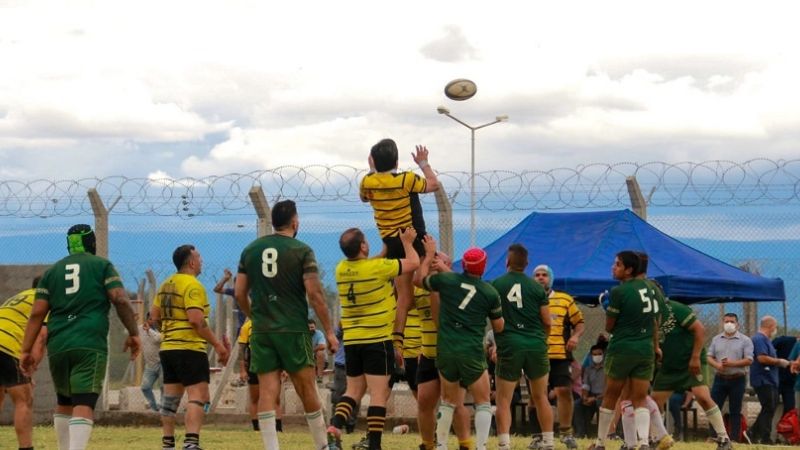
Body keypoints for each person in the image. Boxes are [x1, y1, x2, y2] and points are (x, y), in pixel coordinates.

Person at [20, 224, 141, 450]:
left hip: (58, 343)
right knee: (83, 402)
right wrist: (133, 333)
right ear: (92, 243)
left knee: (64, 401)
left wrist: (26, 350)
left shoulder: (51, 272)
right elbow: (120, 298)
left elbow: (37, 313)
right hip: (89, 341)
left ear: (69, 245)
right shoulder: (102, 265)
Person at [234, 199, 338, 450]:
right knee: (307, 389)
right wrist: (330, 333)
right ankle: (323, 446)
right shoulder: (302, 250)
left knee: (268, 391)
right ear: (295, 221)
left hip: (263, 330)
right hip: (293, 329)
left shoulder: (250, 250)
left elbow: (239, 293)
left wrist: (255, 317)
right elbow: (314, 294)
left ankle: (272, 448)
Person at [326, 226, 420, 450]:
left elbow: (368, 264)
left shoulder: (341, 269)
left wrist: (383, 250)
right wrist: (407, 242)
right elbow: (413, 263)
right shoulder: (379, 268)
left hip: (352, 341)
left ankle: (334, 426)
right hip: (377, 340)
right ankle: (375, 444)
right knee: (378, 393)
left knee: (353, 391)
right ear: (363, 246)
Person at [359, 140, 439, 369]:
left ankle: (396, 342)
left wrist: (373, 172)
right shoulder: (406, 179)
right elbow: (434, 185)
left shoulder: (367, 181)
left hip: (391, 242)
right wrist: (423, 163)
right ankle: (439, 333)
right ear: (396, 161)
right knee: (431, 278)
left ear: (372, 161)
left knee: (404, 298)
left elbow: (365, 197)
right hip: (412, 237)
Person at [423, 247, 505, 450]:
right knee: (483, 401)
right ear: (483, 267)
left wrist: (430, 259)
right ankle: (481, 446)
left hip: (447, 348)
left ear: (464, 265)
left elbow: (420, 280)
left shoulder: (448, 282)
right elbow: (499, 327)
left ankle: (441, 446)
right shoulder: (489, 292)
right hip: (471, 349)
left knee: (448, 400)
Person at [151, 244, 229, 450]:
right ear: (192, 262)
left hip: (168, 348)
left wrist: (170, 330)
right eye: (199, 257)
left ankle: (167, 444)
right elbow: (196, 320)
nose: (202, 260)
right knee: (199, 396)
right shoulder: (193, 286)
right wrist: (218, 345)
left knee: (170, 399)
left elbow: (154, 317)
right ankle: (191, 443)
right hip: (190, 348)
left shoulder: (165, 284)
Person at [589, 251, 659, 450]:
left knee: (611, 394)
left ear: (629, 270)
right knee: (640, 396)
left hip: (623, 347)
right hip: (645, 348)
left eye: (617, 264)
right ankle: (644, 442)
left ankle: (601, 442)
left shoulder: (619, 292)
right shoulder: (653, 289)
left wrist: (607, 307)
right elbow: (655, 320)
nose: (613, 267)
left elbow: (610, 327)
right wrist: (655, 346)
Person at [411, 237, 472, 450]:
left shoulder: (454, 288)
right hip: (428, 352)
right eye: (433, 259)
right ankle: (427, 444)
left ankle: (465, 443)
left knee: (454, 403)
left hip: (451, 352)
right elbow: (407, 297)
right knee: (424, 402)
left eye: (441, 260)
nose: (435, 262)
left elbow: (439, 318)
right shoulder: (421, 285)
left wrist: (438, 275)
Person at [490, 243, 553, 450]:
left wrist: (499, 343)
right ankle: (549, 442)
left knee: (504, 399)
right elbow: (547, 321)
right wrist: (541, 340)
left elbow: (494, 320)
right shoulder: (537, 287)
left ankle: (504, 444)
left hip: (509, 344)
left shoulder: (496, 284)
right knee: (541, 396)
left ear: (507, 262)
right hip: (535, 344)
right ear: (526, 264)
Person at [650, 299, 733, 450]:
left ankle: (724, 438)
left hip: (690, 362)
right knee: (654, 401)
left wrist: (695, 358)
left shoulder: (675, 308)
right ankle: (657, 438)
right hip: (669, 366)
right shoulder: (646, 313)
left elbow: (700, 330)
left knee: (702, 396)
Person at [531, 264, 584, 449]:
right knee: (536, 395)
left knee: (564, 391)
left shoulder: (565, 299)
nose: (540, 277)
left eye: (544, 275)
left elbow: (579, 323)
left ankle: (566, 432)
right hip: (536, 354)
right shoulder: (528, 299)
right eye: (536, 275)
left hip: (560, 355)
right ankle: (538, 435)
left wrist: (575, 337)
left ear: (550, 278)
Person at [0, 277, 48, 450]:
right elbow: (41, 337)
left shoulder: (18, 297)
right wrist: (29, 370)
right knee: (24, 400)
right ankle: (26, 448)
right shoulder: (43, 300)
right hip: (7, 345)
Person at [707, 312, 753, 443]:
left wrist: (732, 363)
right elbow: (709, 356)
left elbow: (749, 360)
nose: (729, 324)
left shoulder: (745, 340)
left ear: (737, 324)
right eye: (727, 321)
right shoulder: (716, 339)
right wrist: (717, 365)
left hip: (737, 379)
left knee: (735, 410)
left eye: (732, 322)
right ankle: (714, 436)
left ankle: (734, 439)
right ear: (723, 323)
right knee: (714, 408)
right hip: (720, 378)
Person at [749, 315, 790, 444]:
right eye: (775, 327)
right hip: (763, 379)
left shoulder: (766, 340)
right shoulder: (759, 339)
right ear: (770, 326)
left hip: (769, 379)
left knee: (769, 407)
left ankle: (752, 433)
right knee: (768, 407)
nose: (775, 329)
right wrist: (779, 361)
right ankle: (764, 437)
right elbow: (762, 358)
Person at [330, 325, 358, 434]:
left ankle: (350, 424)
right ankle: (335, 423)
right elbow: (332, 341)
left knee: (355, 396)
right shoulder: (339, 329)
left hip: (356, 364)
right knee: (338, 395)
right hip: (341, 365)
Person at [574, 345, 605, 439]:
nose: (597, 356)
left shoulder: (608, 369)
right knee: (577, 404)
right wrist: (584, 397)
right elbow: (585, 385)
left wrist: (595, 398)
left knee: (600, 404)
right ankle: (580, 433)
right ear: (591, 356)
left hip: (604, 397)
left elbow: (609, 390)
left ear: (604, 355)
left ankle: (602, 435)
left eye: (599, 354)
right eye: (594, 354)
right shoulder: (588, 369)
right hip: (591, 395)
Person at [140, 313, 163, 412]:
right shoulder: (140, 329)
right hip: (150, 364)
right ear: (146, 319)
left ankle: (163, 408)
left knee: (163, 387)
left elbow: (159, 339)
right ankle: (154, 407)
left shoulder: (161, 330)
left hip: (162, 363)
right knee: (145, 387)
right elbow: (131, 334)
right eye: (150, 319)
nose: (152, 321)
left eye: (154, 320)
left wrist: (149, 330)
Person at [773, 334, 797, 415]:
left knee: (790, 408)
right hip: (776, 379)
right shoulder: (785, 340)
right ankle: (760, 427)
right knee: (770, 407)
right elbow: (768, 351)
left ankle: (783, 426)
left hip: (791, 382)